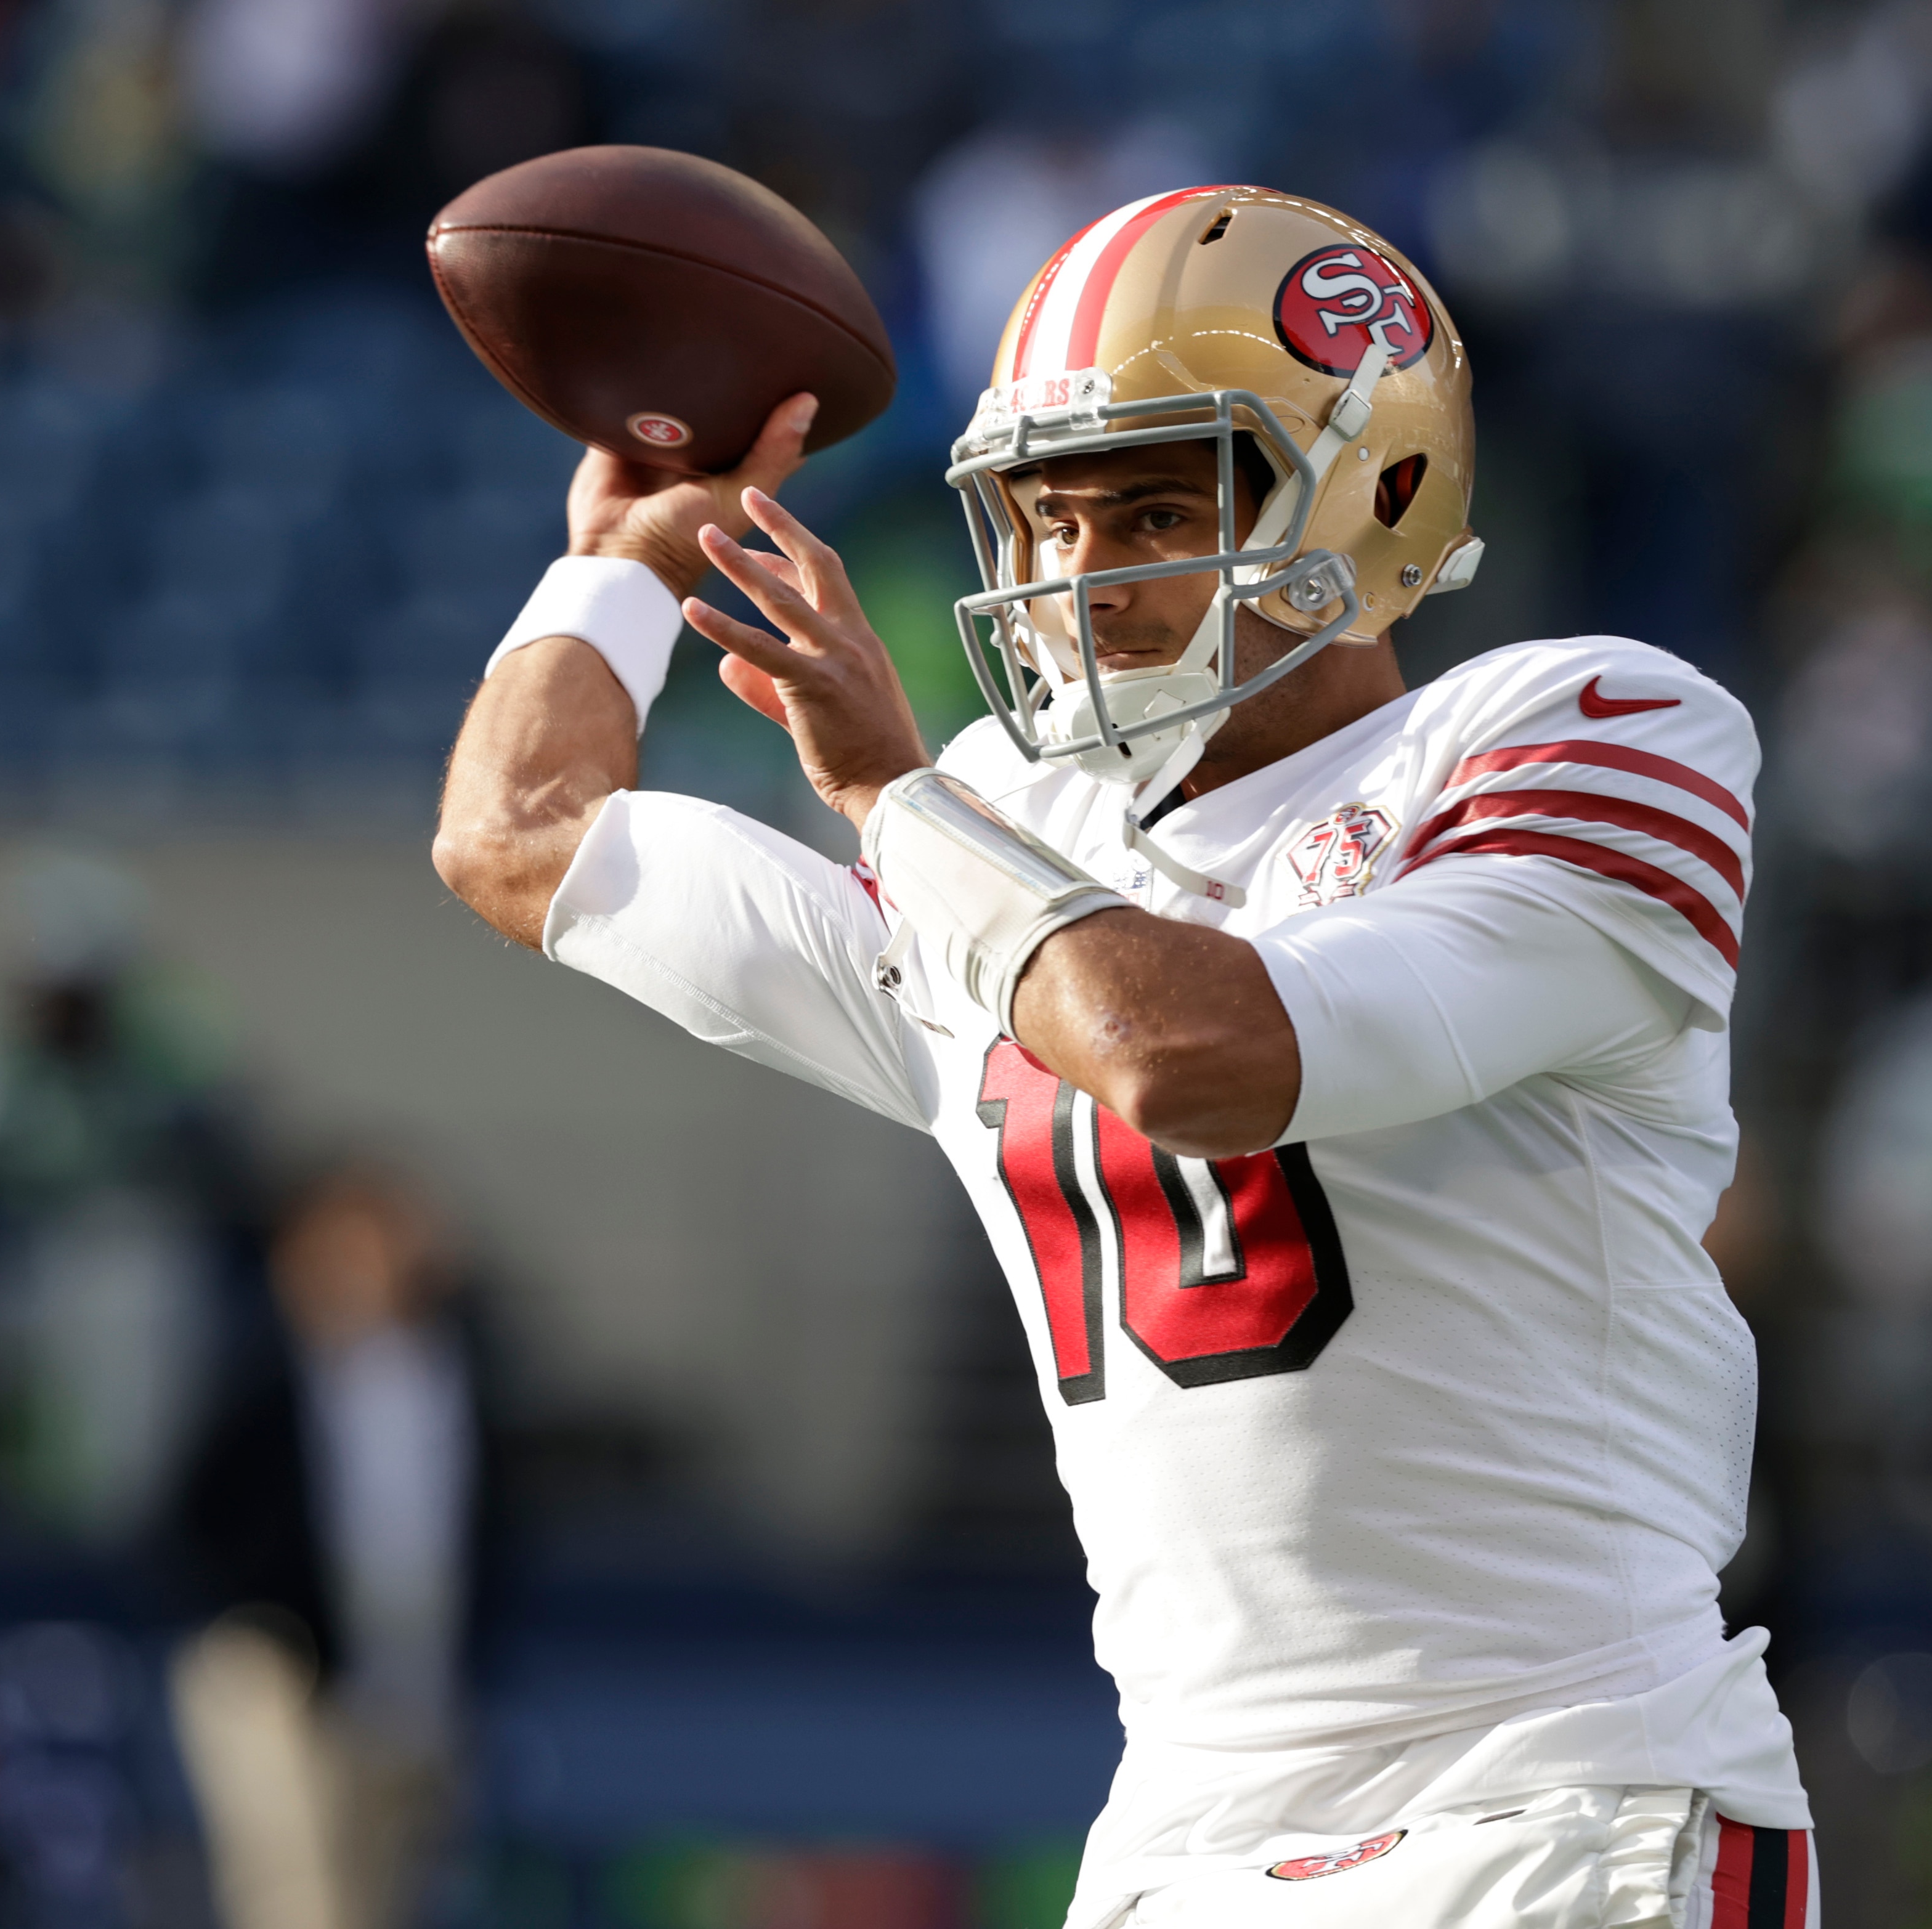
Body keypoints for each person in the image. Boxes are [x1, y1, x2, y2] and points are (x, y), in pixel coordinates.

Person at [434, 186, 1811, 1929]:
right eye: (1045, 517)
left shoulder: (1579, 726)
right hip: (1185, 1830)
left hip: (1553, 1797)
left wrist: (893, 799)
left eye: (1156, 505)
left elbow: (1199, 1051)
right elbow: (519, 835)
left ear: (1378, 488)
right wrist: (619, 564)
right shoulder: (997, 844)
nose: (1086, 577)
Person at [166, 1163, 493, 1929]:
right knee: (295, 1889)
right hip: (277, 1665)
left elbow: (477, 1530)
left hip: (407, 1675)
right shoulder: (260, 1372)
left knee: (379, 1893)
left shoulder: (453, 1376)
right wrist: (260, 1612)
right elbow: (189, 1513)